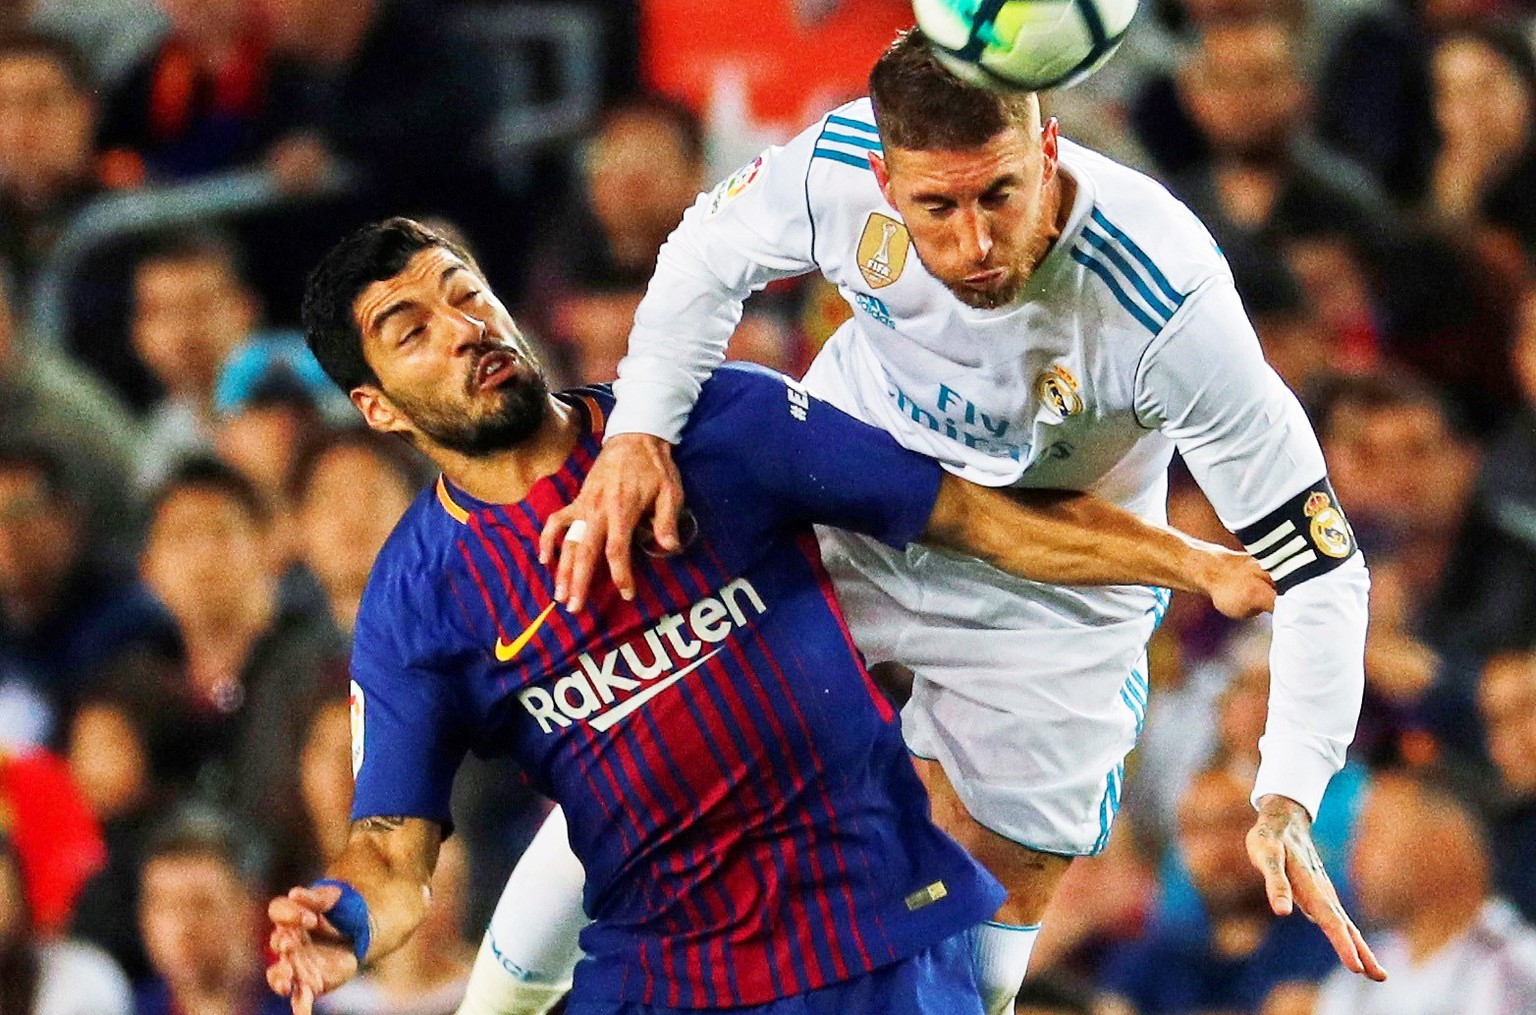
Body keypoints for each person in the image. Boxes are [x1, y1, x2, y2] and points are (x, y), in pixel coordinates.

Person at [495, 27, 1384, 1015]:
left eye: (1000, 194)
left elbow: (1320, 566)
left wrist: (1291, 788)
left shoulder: (1166, 296)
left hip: (1059, 574)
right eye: (938, 207)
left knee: (1001, 887)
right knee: (668, 738)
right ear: (885, 180)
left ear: (1047, 153)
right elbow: (708, 253)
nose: (974, 244)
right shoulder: (833, 168)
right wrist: (641, 433)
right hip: (853, 494)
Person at [264, 218, 1273, 1015]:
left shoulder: (718, 422)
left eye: (465, 292)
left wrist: (1193, 562)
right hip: (656, 980)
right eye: (413, 332)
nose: (463, 327)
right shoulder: (416, 598)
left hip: (876, 949)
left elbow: (974, 516)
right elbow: (395, 850)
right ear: (379, 408)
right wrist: (345, 918)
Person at [1097, 769, 1336, 1014]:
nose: (1217, 848)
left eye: (1234, 823)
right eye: (1197, 830)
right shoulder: (1153, 957)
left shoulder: (1324, 941)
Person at [1312, 765, 1536, 1015]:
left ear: (1445, 846)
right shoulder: (1359, 976)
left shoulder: (1514, 969)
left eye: (1375, 832)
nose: (1355, 854)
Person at [135, 809, 290, 1015]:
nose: (183, 926)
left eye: (202, 905)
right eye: (164, 905)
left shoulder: (302, 1006)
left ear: (249, 912)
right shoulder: (124, 1006)